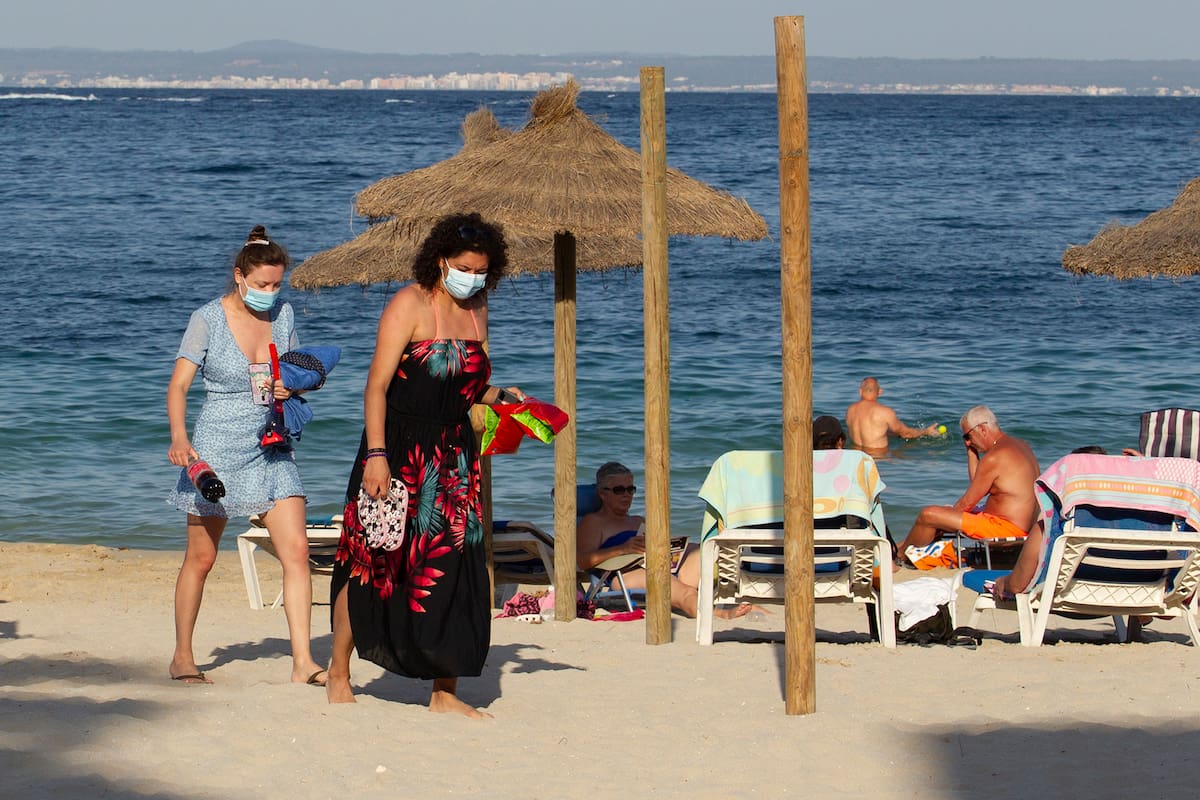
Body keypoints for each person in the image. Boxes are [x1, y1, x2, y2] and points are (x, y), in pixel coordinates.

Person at [326, 213, 523, 717]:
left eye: (481, 271)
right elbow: (376, 386)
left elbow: (469, 383)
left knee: (454, 571)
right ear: (440, 261)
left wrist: (500, 395)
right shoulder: (409, 303)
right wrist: (376, 455)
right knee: (372, 560)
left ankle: (444, 693)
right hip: (397, 448)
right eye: (464, 268)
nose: (473, 278)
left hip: (454, 457)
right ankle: (339, 670)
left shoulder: (478, 307)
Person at [165, 225, 326, 686]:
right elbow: (178, 386)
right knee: (202, 558)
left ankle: (303, 662)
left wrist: (290, 384)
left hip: (271, 445)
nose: (270, 293)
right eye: (262, 285)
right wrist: (179, 437)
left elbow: (294, 369)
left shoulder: (284, 313)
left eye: (277, 285)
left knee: (296, 550)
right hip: (215, 447)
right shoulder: (207, 319)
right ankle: (182, 656)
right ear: (239, 277)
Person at [577, 462, 758, 620]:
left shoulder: (638, 521)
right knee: (684, 591)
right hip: (624, 575)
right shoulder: (594, 522)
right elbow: (583, 561)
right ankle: (720, 614)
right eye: (619, 490)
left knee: (707, 551)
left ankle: (742, 598)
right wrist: (623, 549)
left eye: (630, 489)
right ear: (602, 493)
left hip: (658, 564)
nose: (627, 495)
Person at [894, 405, 1040, 566]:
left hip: (1006, 527)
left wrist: (945, 519)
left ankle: (899, 556)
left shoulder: (995, 457)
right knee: (943, 514)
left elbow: (967, 503)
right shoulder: (1020, 445)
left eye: (968, 436)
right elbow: (978, 483)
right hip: (1023, 525)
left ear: (982, 429)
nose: (968, 442)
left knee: (929, 515)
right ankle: (903, 545)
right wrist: (971, 452)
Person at [845, 377, 940, 454]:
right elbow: (905, 433)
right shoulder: (885, 412)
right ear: (880, 391)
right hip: (878, 458)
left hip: (856, 457)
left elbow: (867, 432)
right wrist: (925, 432)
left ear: (860, 391)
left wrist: (893, 434)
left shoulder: (850, 410)